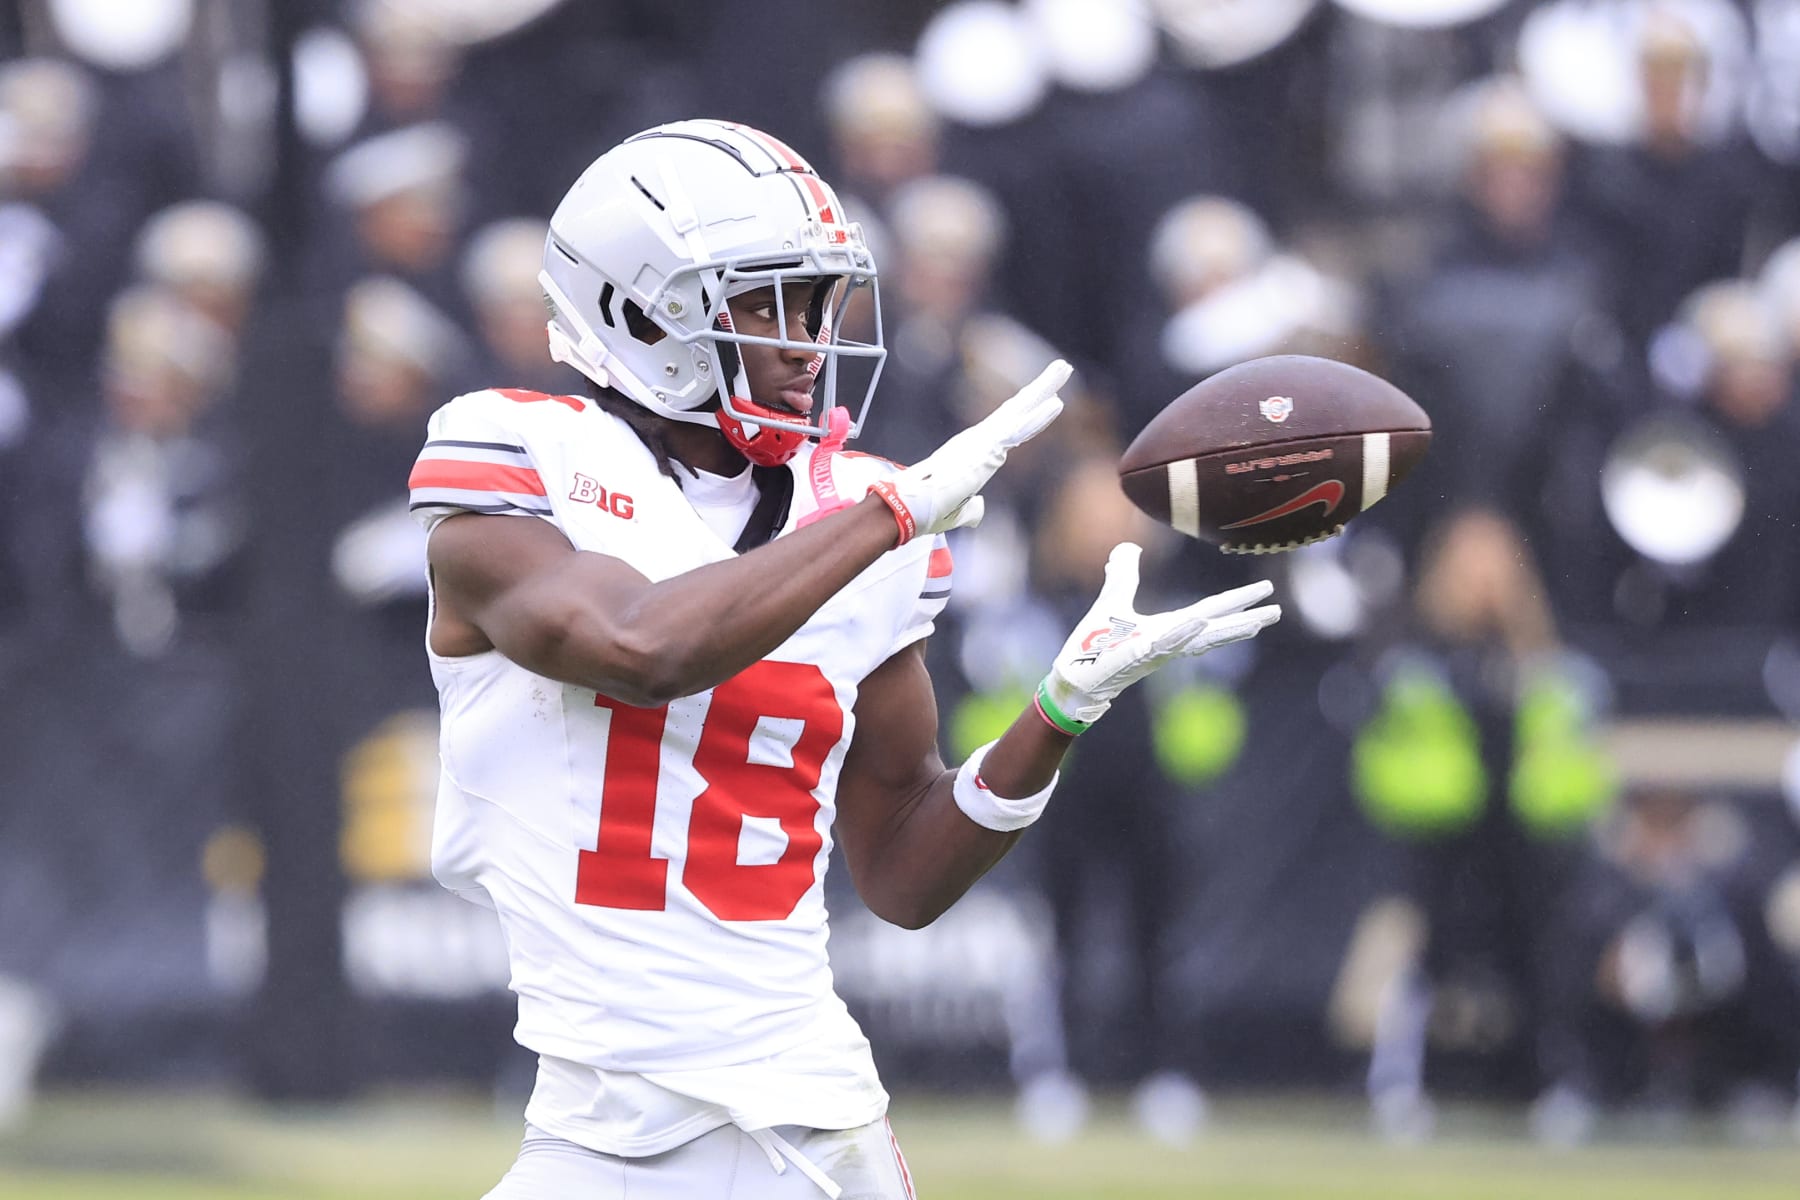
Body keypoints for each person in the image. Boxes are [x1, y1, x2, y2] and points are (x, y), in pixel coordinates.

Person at [408, 120, 1282, 1199]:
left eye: (817, 304)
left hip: (808, 1133)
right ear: (639, 309)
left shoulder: (858, 522)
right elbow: (642, 646)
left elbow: (904, 871)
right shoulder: (521, 455)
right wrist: (888, 516)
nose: (806, 341)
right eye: (765, 303)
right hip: (590, 1131)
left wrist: (1059, 711)